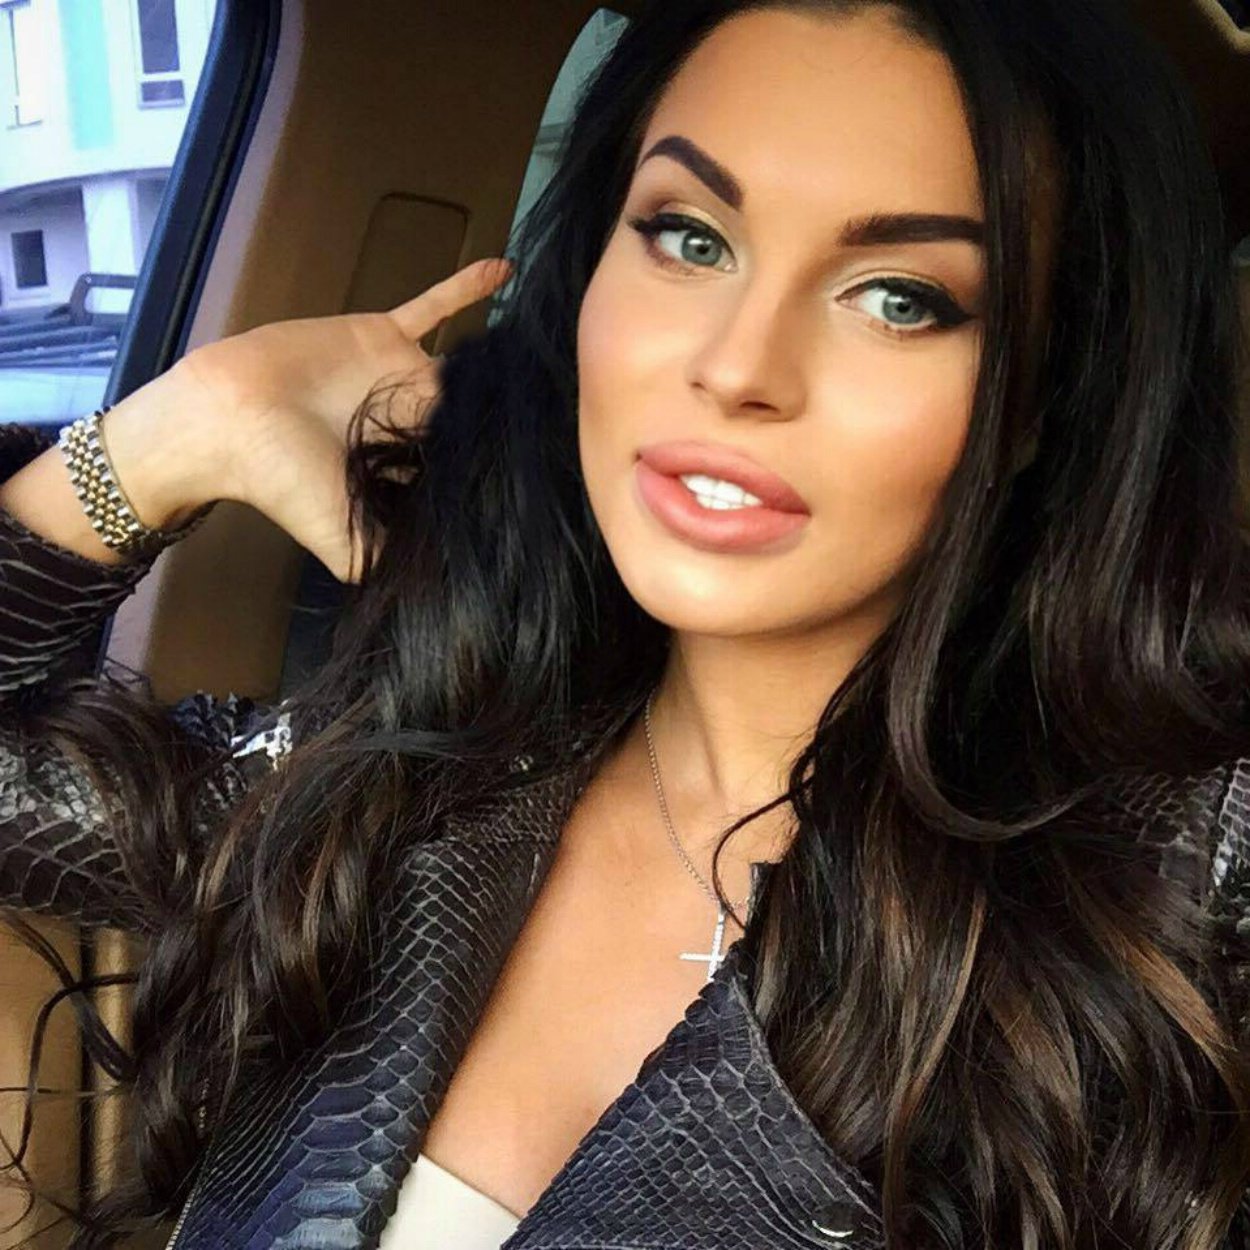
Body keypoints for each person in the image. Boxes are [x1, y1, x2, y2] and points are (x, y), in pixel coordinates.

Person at [1, 0, 1247, 1245]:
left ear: (1040, 403)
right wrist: (181, 429)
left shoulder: (1173, 903)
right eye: (689, 238)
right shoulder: (382, 789)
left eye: (899, 298)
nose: (736, 365)